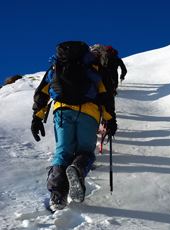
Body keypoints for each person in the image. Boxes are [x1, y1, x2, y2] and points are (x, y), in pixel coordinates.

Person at [31, 41, 117, 211]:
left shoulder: (57, 67)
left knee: (63, 151)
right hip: (89, 113)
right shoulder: (94, 66)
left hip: (62, 112)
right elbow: (106, 95)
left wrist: (37, 118)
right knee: (85, 150)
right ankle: (77, 169)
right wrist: (110, 120)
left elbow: (42, 93)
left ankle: (58, 197)